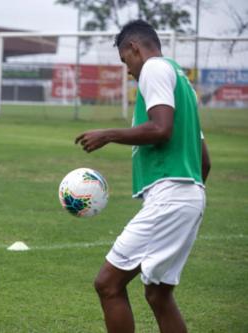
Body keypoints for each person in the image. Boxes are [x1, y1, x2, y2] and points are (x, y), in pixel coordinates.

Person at [75, 20, 211, 333]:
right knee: (158, 295)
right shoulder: (182, 82)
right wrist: (188, 199)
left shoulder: (154, 69)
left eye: (126, 62)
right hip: (189, 196)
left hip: (171, 196)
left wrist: (108, 134)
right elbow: (204, 160)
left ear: (135, 48)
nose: (128, 71)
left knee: (108, 283)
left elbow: (161, 129)